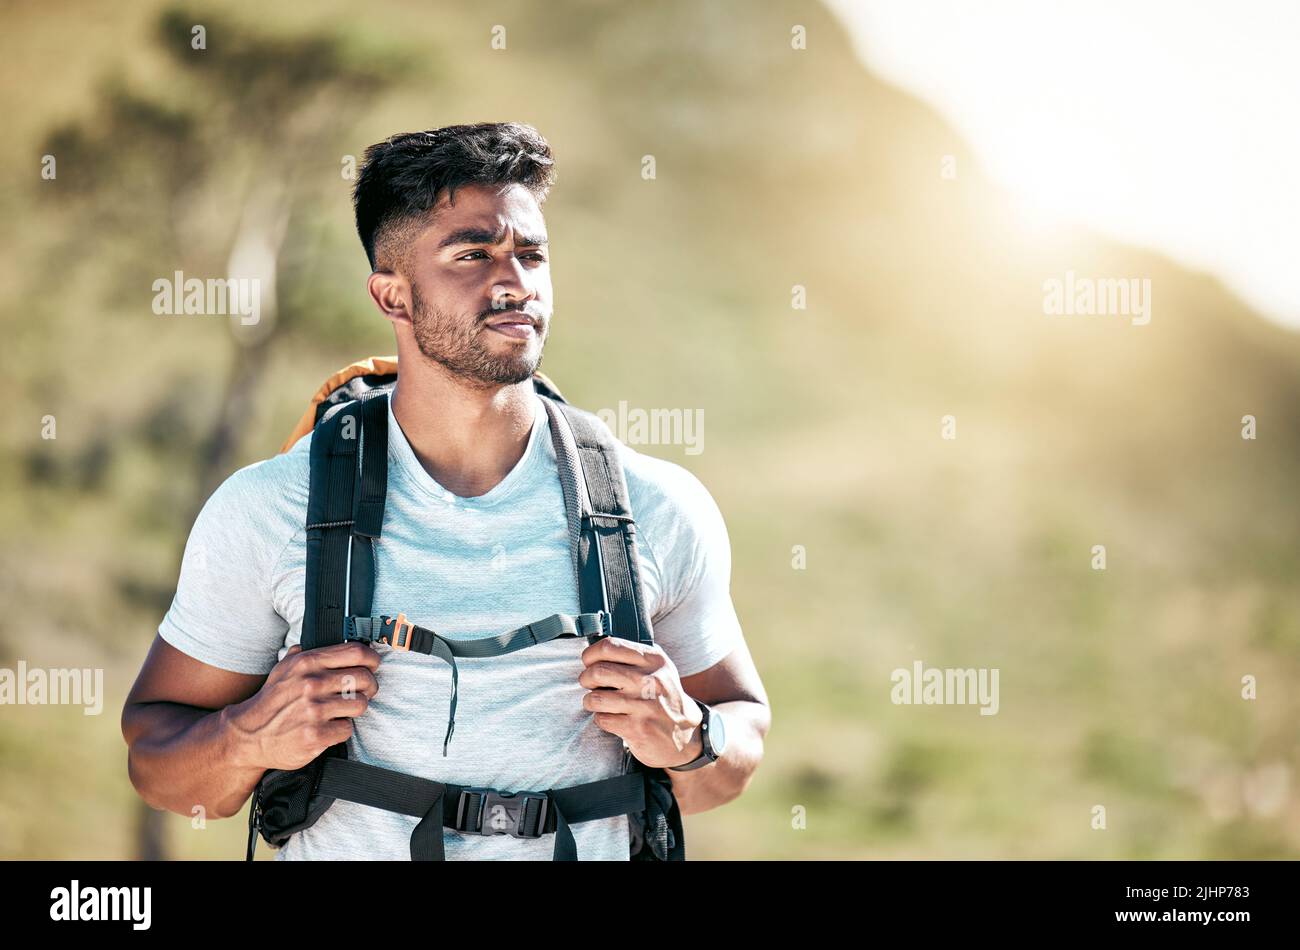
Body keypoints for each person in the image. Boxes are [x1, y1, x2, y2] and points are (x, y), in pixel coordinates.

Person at [121, 122, 770, 859]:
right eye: (473, 254)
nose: (515, 282)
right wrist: (249, 734)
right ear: (392, 295)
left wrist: (689, 736)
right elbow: (160, 767)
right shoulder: (272, 508)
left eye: (531, 254)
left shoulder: (654, 508)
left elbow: (735, 749)